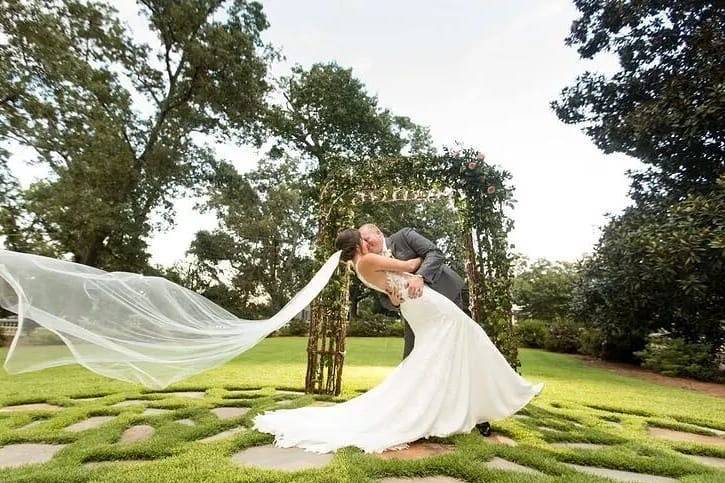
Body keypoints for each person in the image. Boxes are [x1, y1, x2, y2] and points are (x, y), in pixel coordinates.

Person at [253, 229, 543, 454]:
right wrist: (413, 271)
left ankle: (459, 408)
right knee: (468, 338)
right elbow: (410, 263)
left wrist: (402, 284)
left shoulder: (359, 267)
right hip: (428, 307)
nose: (369, 241)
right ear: (360, 245)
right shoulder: (367, 260)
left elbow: (395, 285)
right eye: (364, 238)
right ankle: (506, 392)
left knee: (438, 357)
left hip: (417, 306)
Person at [358, 223, 493, 437]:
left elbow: (435, 253)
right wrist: (392, 302)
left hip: (445, 298)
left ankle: (479, 417)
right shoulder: (371, 262)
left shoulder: (404, 236)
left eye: (368, 238)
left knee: (461, 355)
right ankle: (414, 416)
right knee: (412, 359)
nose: (366, 244)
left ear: (379, 233)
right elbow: (384, 297)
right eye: (362, 242)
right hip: (417, 315)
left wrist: (420, 277)